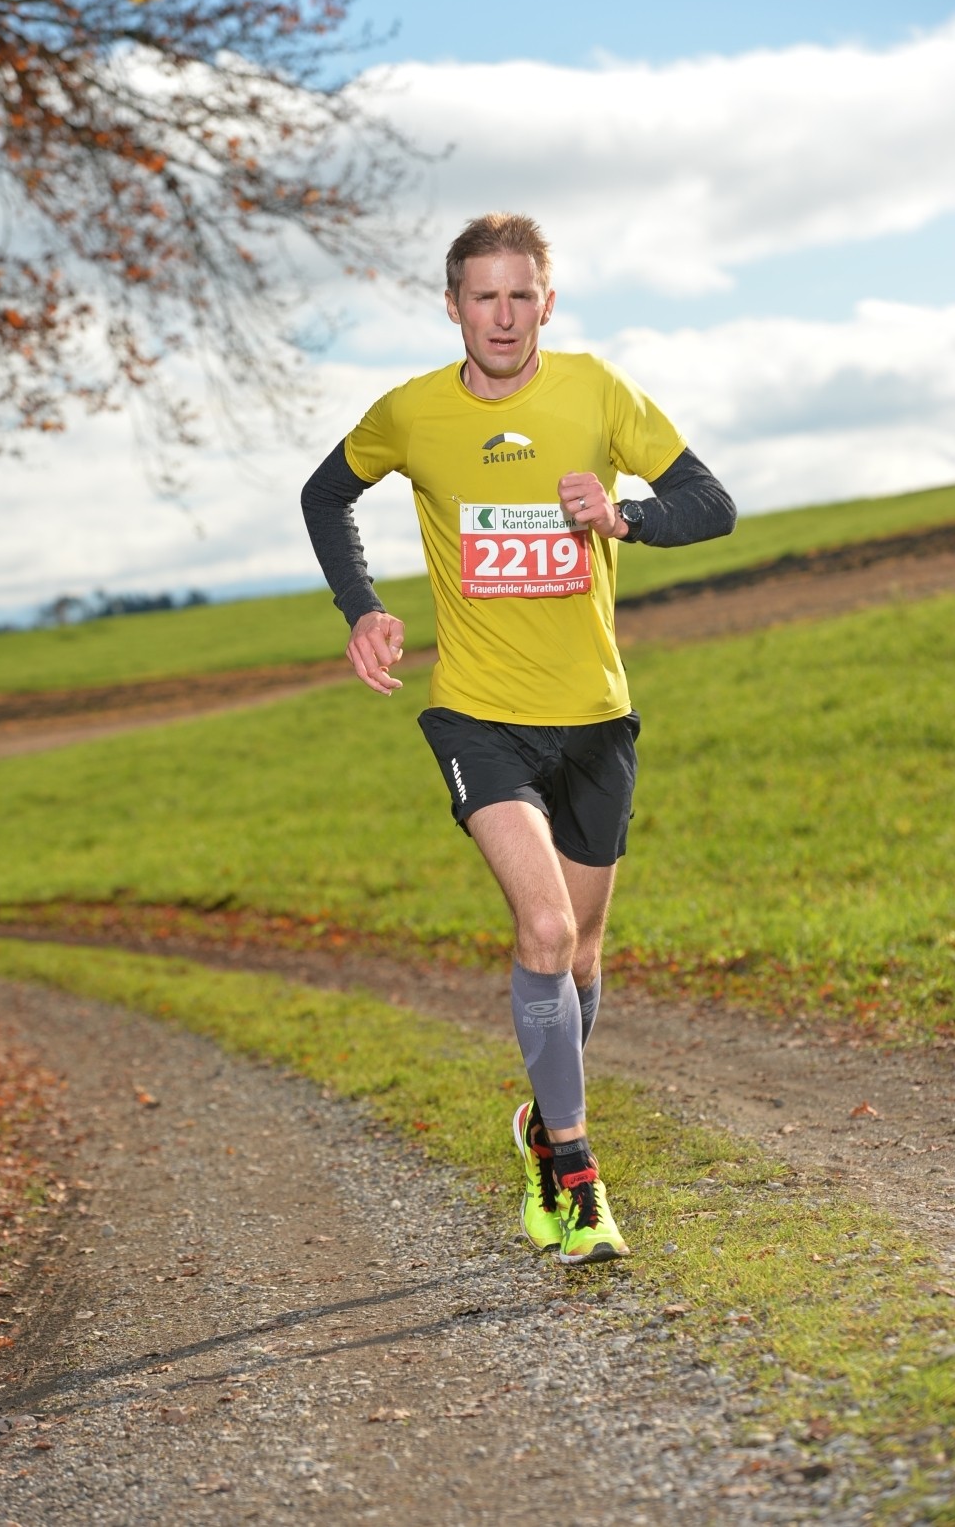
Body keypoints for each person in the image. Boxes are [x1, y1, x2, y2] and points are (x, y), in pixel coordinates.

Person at [302, 212, 736, 1266]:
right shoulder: (410, 413)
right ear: (451, 304)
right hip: (479, 716)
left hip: (593, 718)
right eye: (481, 295)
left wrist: (627, 515)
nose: (501, 315)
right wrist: (361, 606)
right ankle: (577, 1179)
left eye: (520, 294)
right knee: (542, 929)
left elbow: (711, 503)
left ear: (547, 300)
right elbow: (326, 494)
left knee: (581, 953)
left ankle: (538, 1121)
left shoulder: (597, 392)